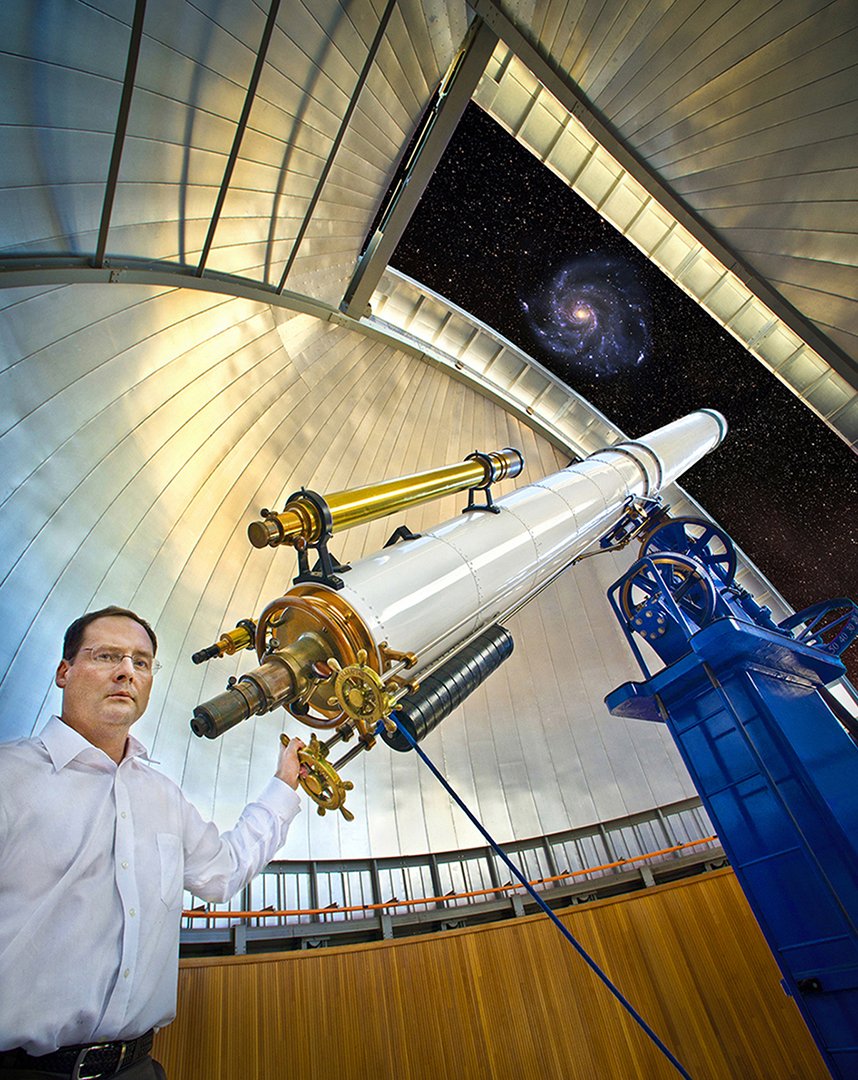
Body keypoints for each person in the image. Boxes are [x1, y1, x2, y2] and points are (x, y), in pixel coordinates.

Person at [0, 606, 305, 1079]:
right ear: (65, 672)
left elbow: (221, 873)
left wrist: (284, 785)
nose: (126, 671)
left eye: (141, 662)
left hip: (138, 1068)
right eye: (107, 656)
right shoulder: (8, 778)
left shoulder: (162, 795)